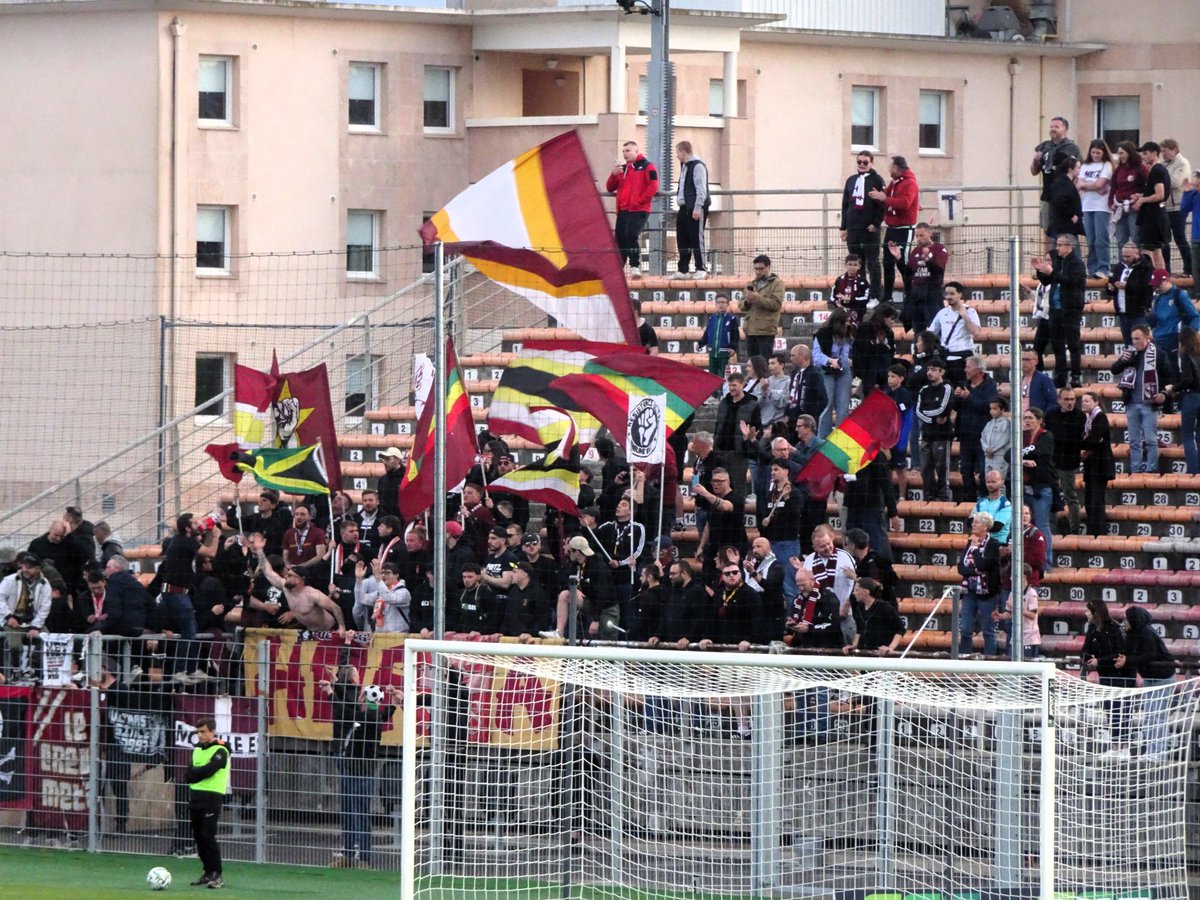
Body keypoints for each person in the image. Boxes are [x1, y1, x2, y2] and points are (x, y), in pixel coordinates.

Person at [317, 666, 390, 868]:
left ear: (366, 699)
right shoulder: (372, 716)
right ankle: (349, 856)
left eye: (362, 695)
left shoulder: (367, 717)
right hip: (352, 769)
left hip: (362, 772)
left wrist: (331, 693)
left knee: (361, 814)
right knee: (349, 812)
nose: (358, 698)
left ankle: (364, 859)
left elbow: (343, 711)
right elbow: (383, 711)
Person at [249, 533, 346, 635]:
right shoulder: (285, 588)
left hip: (329, 630)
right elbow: (267, 571)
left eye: (290, 576)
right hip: (310, 633)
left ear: (299, 580)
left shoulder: (312, 594)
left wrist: (342, 628)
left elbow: (336, 608)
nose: (286, 576)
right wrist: (260, 550)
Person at [1116, 606, 1178, 759]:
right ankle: (1150, 750)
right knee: (1149, 717)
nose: (1125, 622)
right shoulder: (1133, 634)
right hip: (1149, 678)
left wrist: (1128, 660)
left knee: (1158, 717)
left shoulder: (1147, 632)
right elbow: (1128, 653)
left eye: (1127, 619)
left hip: (1163, 678)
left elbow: (1149, 655)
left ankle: (1159, 752)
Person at [1111, 324, 1172, 474]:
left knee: (1151, 440)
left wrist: (1164, 393)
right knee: (1134, 440)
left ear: (1147, 338)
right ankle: (1136, 469)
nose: (1134, 342)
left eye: (1137, 338)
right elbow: (1114, 369)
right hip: (1132, 402)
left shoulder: (1159, 354)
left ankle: (1151, 469)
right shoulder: (1130, 354)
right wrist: (1122, 361)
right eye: (1132, 339)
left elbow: (1170, 376)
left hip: (1149, 403)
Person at [1081, 599, 1135, 759]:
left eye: (1088, 611)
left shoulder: (1114, 629)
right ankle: (1115, 746)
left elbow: (1119, 654)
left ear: (1095, 612)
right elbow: (1085, 649)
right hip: (1105, 676)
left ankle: (1123, 747)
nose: (1085, 614)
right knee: (1110, 711)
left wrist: (1100, 661)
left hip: (1121, 676)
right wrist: (1088, 658)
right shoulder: (1092, 628)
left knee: (1122, 711)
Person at [1032, 235, 1087, 388]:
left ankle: (1076, 375)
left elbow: (1072, 282)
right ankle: (1060, 375)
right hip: (1055, 309)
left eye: (1060, 245)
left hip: (1070, 309)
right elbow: (1047, 280)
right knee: (1057, 344)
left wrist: (1052, 273)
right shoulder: (1058, 262)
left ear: (1070, 246)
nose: (1057, 248)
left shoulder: (1077, 264)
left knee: (1073, 343)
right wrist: (1040, 271)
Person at [186, 716, 229, 888]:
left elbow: (209, 770)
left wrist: (196, 774)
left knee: (207, 835)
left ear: (212, 732)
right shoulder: (196, 750)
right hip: (196, 796)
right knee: (198, 836)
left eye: (203, 732)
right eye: (198, 732)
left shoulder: (221, 751)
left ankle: (217, 874)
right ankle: (207, 872)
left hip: (212, 797)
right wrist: (197, 774)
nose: (200, 735)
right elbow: (188, 774)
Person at [868, 156, 919, 302]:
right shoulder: (894, 183)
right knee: (887, 262)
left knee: (902, 261)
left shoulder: (910, 183)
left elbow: (904, 203)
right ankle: (887, 297)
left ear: (896, 168)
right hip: (891, 228)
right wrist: (877, 196)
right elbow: (886, 197)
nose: (889, 170)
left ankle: (910, 294)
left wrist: (883, 198)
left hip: (904, 229)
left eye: (890, 167)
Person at [606, 139, 658, 277]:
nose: (625, 154)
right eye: (623, 151)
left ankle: (635, 266)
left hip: (638, 209)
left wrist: (639, 201)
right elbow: (610, 188)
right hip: (623, 210)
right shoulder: (623, 169)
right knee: (620, 238)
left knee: (631, 235)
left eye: (628, 151)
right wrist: (614, 174)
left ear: (636, 151)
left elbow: (653, 186)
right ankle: (619, 268)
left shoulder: (647, 166)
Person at [1031, 116, 1082, 252]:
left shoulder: (1072, 148)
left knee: (1065, 230)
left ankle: (1067, 261)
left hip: (1063, 195)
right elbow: (1034, 171)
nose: (1053, 129)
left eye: (1057, 127)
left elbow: (1078, 170)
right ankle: (1049, 261)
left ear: (1064, 129)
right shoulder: (1044, 147)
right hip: (1047, 195)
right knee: (1048, 231)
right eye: (1051, 126)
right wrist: (1035, 161)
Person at [888, 222, 948, 336]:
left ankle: (935, 351)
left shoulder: (939, 249)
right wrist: (899, 259)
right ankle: (918, 352)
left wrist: (927, 261)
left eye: (922, 235)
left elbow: (939, 271)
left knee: (934, 328)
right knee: (918, 330)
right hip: (917, 294)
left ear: (929, 234)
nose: (919, 239)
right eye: (917, 236)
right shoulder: (916, 251)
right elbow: (908, 273)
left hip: (932, 293)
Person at [840, 151, 886, 300]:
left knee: (872, 262)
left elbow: (883, 204)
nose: (862, 165)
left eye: (865, 162)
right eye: (859, 162)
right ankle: (859, 292)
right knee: (856, 262)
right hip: (853, 227)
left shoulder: (877, 180)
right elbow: (845, 204)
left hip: (869, 228)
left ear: (871, 163)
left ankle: (874, 295)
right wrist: (843, 227)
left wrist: (876, 223)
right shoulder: (851, 180)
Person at [952, 356, 998, 502]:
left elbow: (988, 406)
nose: (965, 370)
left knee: (984, 470)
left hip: (983, 436)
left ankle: (985, 499)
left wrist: (969, 397)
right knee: (965, 470)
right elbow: (955, 407)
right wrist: (957, 397)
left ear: (979, 370)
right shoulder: (964, 384)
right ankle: (969, 499)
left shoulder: (990, 385)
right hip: (965, 435)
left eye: (968, 367)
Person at [957, 512, 1002, 657]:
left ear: (985, 527)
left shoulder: (993, 544)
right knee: (965, 628)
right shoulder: (970, 542)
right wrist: (974, 570)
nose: (973, 525)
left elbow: (983, 565)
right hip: (969, 592)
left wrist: (976, 550)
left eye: (976, 523)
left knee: (988, 629)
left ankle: (990, 661)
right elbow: (961, 568)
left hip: (987, 593)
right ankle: (965, 658)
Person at [0, 552, 51, 679]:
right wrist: (8, 617)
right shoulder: (10, 580)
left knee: (47, 640)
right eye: (24, 566)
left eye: (29, 567)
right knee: (15, 645)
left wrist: (36, 626)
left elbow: (45, 607)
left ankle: (31, 668)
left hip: (33, 621)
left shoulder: (45, 584)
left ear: (37, 569)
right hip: (13, 621)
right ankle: (16, 669)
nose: (25, 569)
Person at [1019, 408, 1057, 568]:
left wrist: (1019, 454)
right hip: (1025, 488)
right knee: (1025, 526)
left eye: (1030, 418)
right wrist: (1022, 460)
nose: (1026, 421)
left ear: (1039, 420)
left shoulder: (1046, 435)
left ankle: (1045, 564)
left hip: (1041, 488)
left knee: (1042, 525)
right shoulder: (1021, 436)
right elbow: (1008, 455)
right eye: (1024, 418)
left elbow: (1040, 451)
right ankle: (1028, 564)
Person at [1045, 388, 1085, 536]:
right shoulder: (1051, 414)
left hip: (1069, 462)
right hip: (1052, 461)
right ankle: (1051, 528)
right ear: (1059, 400)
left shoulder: (1080, 416)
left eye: (1072, 399)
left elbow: (1078, 439)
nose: (1070, 402)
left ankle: (1074, 529)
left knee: (1070, 496)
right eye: (1066, 399)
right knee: (1051, 495)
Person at [1145, 268, 1199, 377]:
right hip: (1159, 340)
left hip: (1174, 339)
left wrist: (1187, 337)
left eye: (1159, 284)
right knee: (1161, 373)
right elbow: (1155, 321)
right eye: (1155, 285)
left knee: (1174, 372)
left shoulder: (1179, 295)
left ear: (1167, 280)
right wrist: (1148, 316)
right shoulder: (1158, 299)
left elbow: (1194, 317)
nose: (1157, 287)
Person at [928, 281, 982, 386]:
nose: (948, 297)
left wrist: (965, 317)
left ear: (960, 294)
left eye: (952, 294)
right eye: (946, 294)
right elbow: (930, 333)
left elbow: (976, 333)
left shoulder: (970, 311)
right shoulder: (942, 313)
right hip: (945, 357)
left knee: (961, 388)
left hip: (962, 357)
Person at [670, 140, 710, 279]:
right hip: (684, 206)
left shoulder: (697, 166)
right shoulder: (685, 166)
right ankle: (683, 269)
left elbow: (701, 189)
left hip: (694, 207)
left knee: (696, 237)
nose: (677, 156)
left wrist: (698, 207)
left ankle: (701, 267)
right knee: (682, 237)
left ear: (683, 151)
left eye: (678, 152)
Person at [1078, 391, 1116, 535]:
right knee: (1090, 499)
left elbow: (1094, 440)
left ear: (1096, 402)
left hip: (1100, 466)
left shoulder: (1100, 418)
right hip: (1092, 465)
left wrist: (1081, 446)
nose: (1083, 403)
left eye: (1087, 401)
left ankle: (1098, 531)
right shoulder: (1090, 419)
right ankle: (1093, 529)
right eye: (1082, 401)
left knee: (1096, 500)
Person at [915, 358, 953, 502]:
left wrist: (928, 412)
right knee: (925, 468)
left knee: (942, 468)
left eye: (933, 370)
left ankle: (943, 497)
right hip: (926, 434)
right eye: (928, 369)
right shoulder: (924, 390)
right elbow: (918, 411)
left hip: (941, 435)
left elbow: (943, 408)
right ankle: (928, 496)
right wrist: (932, 418)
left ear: (941, 372)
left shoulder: (946, 388)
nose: (929, 373)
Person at [812, 308, 853, 439]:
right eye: (846, 321)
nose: (848, 324)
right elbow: (816, 356)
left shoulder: (847, 335)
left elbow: (846, 354)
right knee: (827, 404)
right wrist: (830, 361)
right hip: (826, 370)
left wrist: (844, 361)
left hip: (843, 371)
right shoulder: (822, 334)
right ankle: (823, 437)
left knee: (843, 406)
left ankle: (840, 438)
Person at [1105, 241, 1153, 346]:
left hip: (1139, 313)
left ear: (1137, 254)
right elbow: (1111, 282)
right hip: (1123, 313)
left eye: (1128, 256)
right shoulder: (1119, 267)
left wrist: (1127, 286)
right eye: (1123, 256)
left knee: (1141, 344)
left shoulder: (1146, 266)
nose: (1125, 259)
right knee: (1128, 345)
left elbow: (1146, 288)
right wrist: (1110, 287)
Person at [1077, 139, 1114, 277]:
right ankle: (1092, 268)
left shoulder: (1107, 165)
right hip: (1087, 205)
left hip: (1102, 206)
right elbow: (1079, 184)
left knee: (1101, 238)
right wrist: (1093, 187)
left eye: (1098, 152)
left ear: (1103, 152)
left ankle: (1103, 267)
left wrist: (1088, 186)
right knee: (1090, 239)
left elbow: (1101, 184)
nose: (1095, 155)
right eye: (1093, 152)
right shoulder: (1086, 165)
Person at [1133, 142, 1171, 270]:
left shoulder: (1157, 170)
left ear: (1154, 153)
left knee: (1148, 251)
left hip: (1153, 217)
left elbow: (1160, 194)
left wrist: (1142, 200)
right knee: (1156, 250)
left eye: (1145, 153)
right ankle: (1159, 277)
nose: (1143, 156)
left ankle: (1149, 277)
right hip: (1156, 214)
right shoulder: (1157, 170)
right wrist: (1141, 196)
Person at [844, 577, 904, 656]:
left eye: (856, 590)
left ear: (866, 591)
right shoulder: (859, 608)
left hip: (881, 656)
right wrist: (854, 645)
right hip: (864, 655)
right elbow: (860, 630)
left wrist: (890, 648)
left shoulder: (885, 607)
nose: (854, 593)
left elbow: (900, 629)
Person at [1169, 327, 1200, 474]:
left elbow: (1188, 379)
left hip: (1191, 396)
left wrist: (1174, 388)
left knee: (1187, 435)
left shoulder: (1186, 354)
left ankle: (1194, 471)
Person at [742, 254, 784, 361]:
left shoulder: (777, 284)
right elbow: (740, 305)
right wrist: (747, 302)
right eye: (755, 269)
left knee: (764, 362)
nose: (757, 272)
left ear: (768, 267)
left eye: (761, 269)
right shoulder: (751, 284)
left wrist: (758, 298)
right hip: (750, 329)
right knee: (752, 363)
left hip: (766, 330)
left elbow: (776, 304)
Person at [1161, 140, 1193, 276]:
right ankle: (1166, 270)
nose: (1163, 154)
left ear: (1174, 149)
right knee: (1165, 240)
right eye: (1161, 151)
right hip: (1166, 206)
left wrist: (1159, 177)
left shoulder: (1182, 163)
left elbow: (1175, 182)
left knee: (1180, 237)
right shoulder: (1164, 165)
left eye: (1165, 151)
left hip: (1177, 206)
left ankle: (1189, 268)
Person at [353, 558, 411, 633]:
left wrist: (379, 579)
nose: (383, 575)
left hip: (398, 638)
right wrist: (358, 580)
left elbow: (389, 598)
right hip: (380, 637)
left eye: (387, 573)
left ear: (397, 575)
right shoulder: (380, 593)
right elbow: (361, 599)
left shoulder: (403, 592)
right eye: (382, 573)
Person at [1110, 140, 1147, 250]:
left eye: (1122, 153)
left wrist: (1140, 198)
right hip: (1120, 208)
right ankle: (1122, 265)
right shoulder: (1119, 170)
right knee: (1121, 239)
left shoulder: (1141, 168)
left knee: (1136, 238)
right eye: (1118, 153)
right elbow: (1114, 187)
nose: (1120, 156)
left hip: (1134, 209)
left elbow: (1148, 186)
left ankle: (1137, 263)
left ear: (1129, 153)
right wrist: (1111, 203)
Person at [785, 343, 827, 430]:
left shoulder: (815, 374)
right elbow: (791, 395)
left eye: (793, 355)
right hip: (792, 418)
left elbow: (823, 399)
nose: (791, 358)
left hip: (807, 421)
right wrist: (787, 413)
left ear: (803, 357)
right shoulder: (794, 373)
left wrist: (812, 417)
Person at [700, 293, 739, 381]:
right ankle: (713, 394)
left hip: (725, 354)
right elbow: (707, 333)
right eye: (718, 302)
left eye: (723, 302)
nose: (721, 304)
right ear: (715, 304)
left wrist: (733, 347)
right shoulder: (712, 318)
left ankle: (721, 393)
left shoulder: (731, 319)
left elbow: (735, 335)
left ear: (728, 304)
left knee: (723, 376)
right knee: (712, 376)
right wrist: (701, 343)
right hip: (712, 353)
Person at [1046, 155, 1085, 243]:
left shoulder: (1061, 182)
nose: (1080, 170)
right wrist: (1072, 215)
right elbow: (1060, 201)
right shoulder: (1065, 184)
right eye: (1078, 168)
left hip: (1060, 224)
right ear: (1070, 169)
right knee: (1069, 251)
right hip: (1065, 226)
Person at [830, 254, 872, 329]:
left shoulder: (862, 281)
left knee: (855, 331)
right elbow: (833, 296)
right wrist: (838, 303)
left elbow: (866, 298)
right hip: (841, 312)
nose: (852, 267)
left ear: (859, 266)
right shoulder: (839, 280)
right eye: (850, 264)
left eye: (855, 265)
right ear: (845, 265)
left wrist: (850, 299)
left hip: (857, 312)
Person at [972, 469, 1013, 544]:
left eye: (993, 482)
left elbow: (997, 527)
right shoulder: (980, 502)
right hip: (980, 542)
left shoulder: (1005, 505)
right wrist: (988, 522)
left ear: (1002, 482)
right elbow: (970, 521)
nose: (990, 484)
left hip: (998, 544)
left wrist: (980, 524)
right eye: (988, 482)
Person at [980, 399, 1011, 483]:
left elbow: (1003, 439)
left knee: (999, 482)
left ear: (1002, 409)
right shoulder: (989, 424)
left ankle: (1001, 496)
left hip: (1000, 456)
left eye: (995, 409)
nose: (991, 411)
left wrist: (993, 449)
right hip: (988, 456)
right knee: (989, 480)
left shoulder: (1005, 423)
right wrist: (986, 448)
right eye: (991, 409)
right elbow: (982, 438)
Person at [1180, 169, 1200, 283]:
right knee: (1196, 270)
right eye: (1197, 176)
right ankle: (1198, 295)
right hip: (1196, 237)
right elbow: (1183, 211)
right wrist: (1186, 192)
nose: (1197, 179)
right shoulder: (1193, 194)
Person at [375, 446, 405, 519]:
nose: (384, 462)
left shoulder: (407, 478)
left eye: (388, 459)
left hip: (403, 521)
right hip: (384, 522)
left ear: (398, 459)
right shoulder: (382, 479)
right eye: (383, 459)